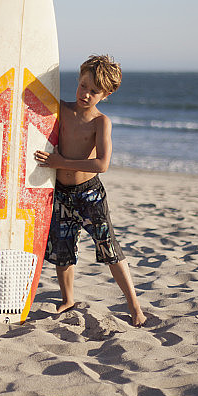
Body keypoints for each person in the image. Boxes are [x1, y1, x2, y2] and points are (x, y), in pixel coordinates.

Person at [34, 55, 146, 327]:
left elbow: (102, 164)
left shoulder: (101, 122)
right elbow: (26, 102)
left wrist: (62, 162)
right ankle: (68, 298)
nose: (85, 94)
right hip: (61, 193)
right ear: (78, 80)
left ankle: (134, 306)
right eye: (83, 86)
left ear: (106, 94)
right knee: (63, 250)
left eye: (94, 91)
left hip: (90, 194)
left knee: (109, 248)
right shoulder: (61, 110)